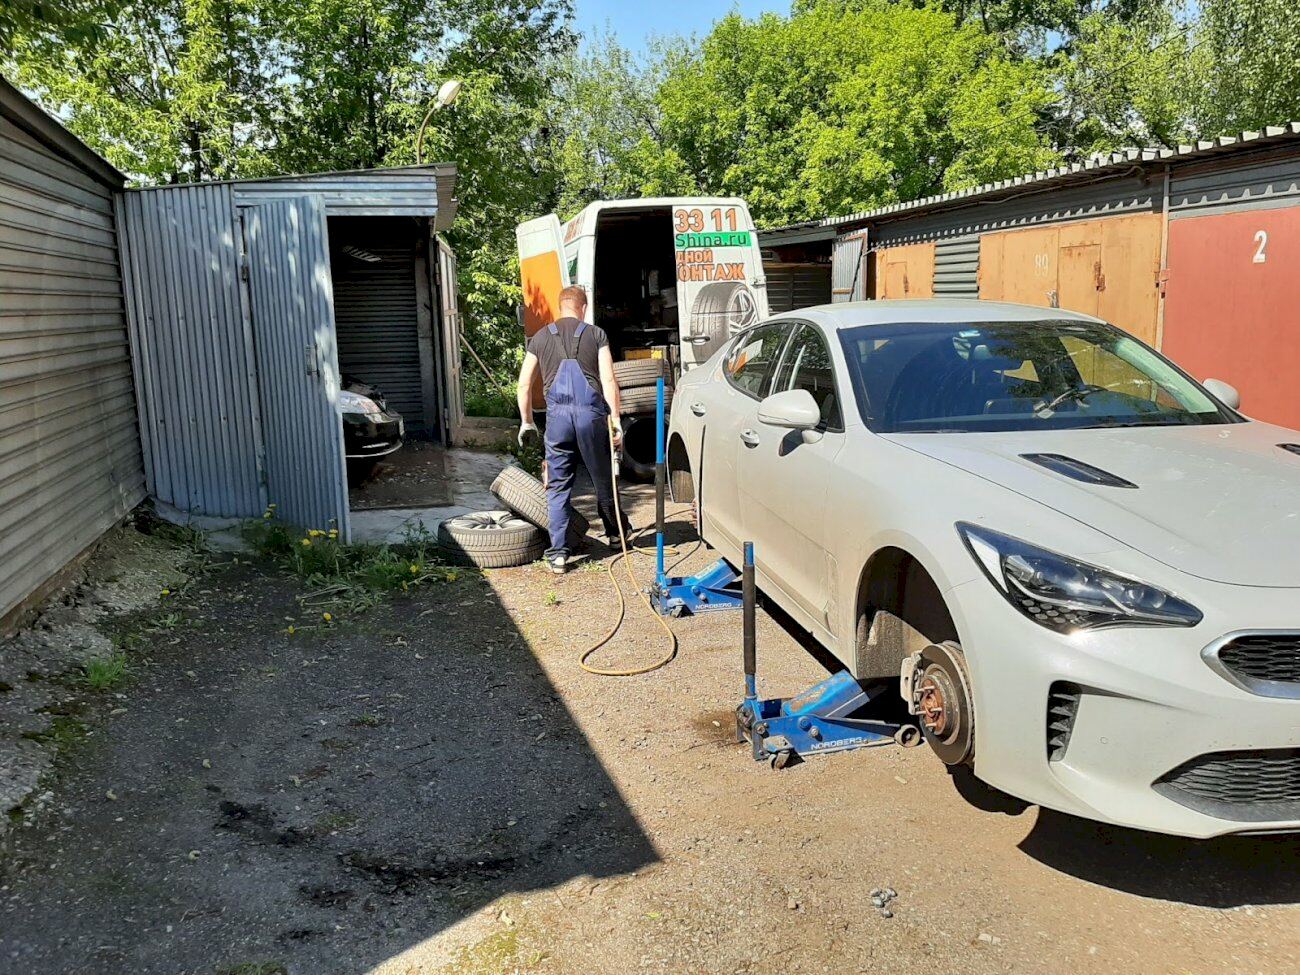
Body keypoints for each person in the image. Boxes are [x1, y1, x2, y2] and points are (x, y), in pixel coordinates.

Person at [516, 285, 628, 574]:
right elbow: (608, 380)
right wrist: (616, 418)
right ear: (584, 308)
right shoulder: (596, 334)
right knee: (603, 478)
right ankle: (616, 535)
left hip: (558, 420)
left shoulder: (541, 337)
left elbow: (524, 384)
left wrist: (527, 422)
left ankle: (558, 555)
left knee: (558, 486)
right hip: (591, 417)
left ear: (559, 306)